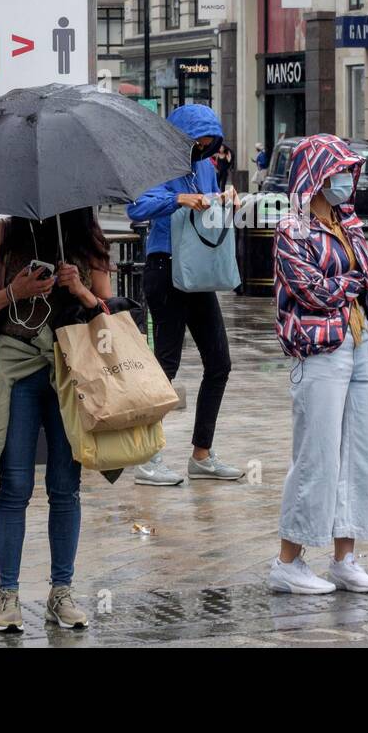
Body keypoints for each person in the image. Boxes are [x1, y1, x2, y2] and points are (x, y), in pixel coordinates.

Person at [0, 209, 114, 633]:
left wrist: (80, 289)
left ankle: (61, 593)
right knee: (14, 485)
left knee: (65, 488)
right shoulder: (6, 233)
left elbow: (110, 308)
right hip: (17, 369)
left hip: (72, 370)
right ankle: (8, 595)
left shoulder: (87, 235)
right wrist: (14, 290)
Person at [269, 134, 368, 594]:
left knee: (361, 454)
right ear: (316, 175)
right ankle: (289, 561)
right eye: (339, 169)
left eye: (350, 169)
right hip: (321, 348)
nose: (347, 177)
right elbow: (313, 291)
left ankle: (345, 557)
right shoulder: (292, 228)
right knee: (317, 454)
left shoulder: (349, 222)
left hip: (362, 343)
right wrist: (359, 276)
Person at [127, 103, 242, 485]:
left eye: (209, 144)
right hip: (165, 268)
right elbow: (137, 207)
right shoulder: (156, 164)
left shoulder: (207, 169)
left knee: (220, 362)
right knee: (166, 364)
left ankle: (202, 454)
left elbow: (207, 215)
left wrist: (225, 201)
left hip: (198, 272)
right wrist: (178, 199)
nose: (203, 149)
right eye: (198, 142)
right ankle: (147, 456)